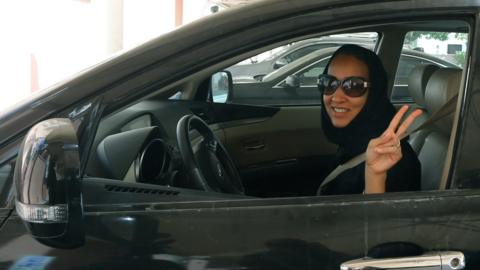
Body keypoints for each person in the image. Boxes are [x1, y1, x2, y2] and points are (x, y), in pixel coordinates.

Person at [317, 44, 423, 195]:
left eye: (354, 85)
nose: (337, 97)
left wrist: (376, 177)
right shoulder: (353, 138)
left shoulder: (393, 159)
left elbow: (385, 218)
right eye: (329, 83)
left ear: (374, 93)